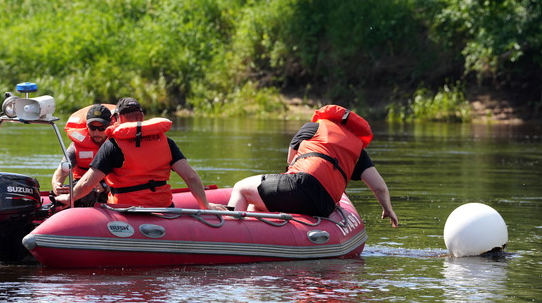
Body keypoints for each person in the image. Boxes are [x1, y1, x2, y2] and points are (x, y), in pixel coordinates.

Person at [226, 105, 398, 227]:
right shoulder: (358, 150)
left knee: (241, 188)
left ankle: (229, 233)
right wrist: (388, 209)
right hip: (325, 205)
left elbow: (291, 160)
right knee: (258, 204)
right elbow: (379, 187)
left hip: (300, 185)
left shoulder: (314, 127)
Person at [54, 97, 216, 209]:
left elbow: (87, 183)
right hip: (163, 207)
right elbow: (191, 177)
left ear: (116, 118)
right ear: (143, 117)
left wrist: (69, 198)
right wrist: (205, 205)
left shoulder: (112, 145)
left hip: (124, 210)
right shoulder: (166, 141)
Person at [51, 103, 114, 206]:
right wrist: (56, 185)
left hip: (110, 191)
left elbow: (128, 177)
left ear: (110, 126)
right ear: (86, 126)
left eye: (101, 128)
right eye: (92, 127)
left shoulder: (117, 145)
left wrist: (105, 187)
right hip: (82, 191)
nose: (96, 132)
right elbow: (62, 171)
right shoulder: (76, 146)